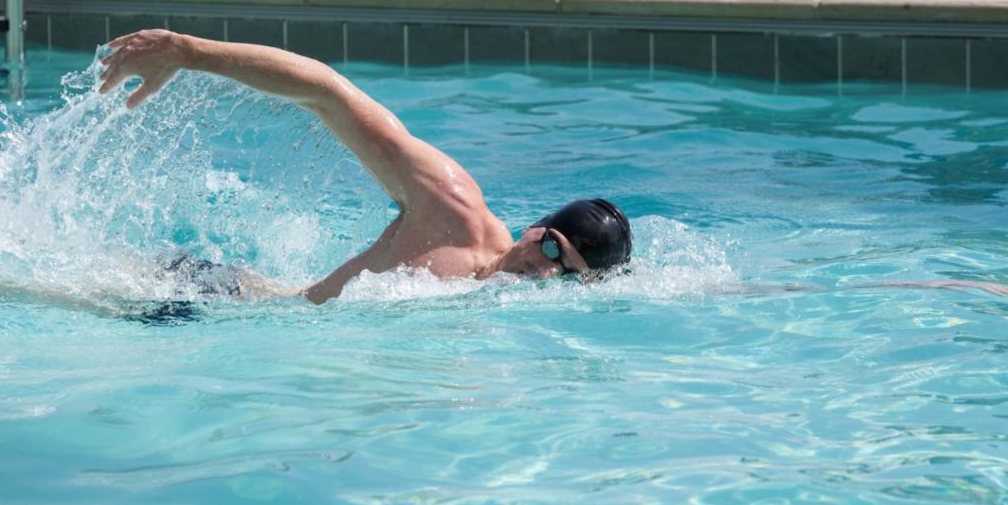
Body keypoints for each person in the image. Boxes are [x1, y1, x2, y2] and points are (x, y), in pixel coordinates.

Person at [99, 29, 632, 304]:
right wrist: (190, 51)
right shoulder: (451, 208)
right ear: (537, 228)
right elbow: (328, 93)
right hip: (208, 301)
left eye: (564, 276)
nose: (544, 272)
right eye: (550, 250)